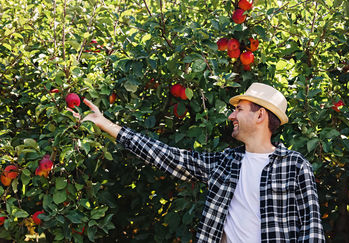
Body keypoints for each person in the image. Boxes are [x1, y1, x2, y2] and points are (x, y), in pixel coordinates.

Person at [70, 82, 325, 242]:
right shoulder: (226, 162)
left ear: (260, 115)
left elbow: (312, 230)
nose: (231, 115)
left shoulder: (293, 166)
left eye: (239, 109)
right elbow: (168, 157)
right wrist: (107, 125)